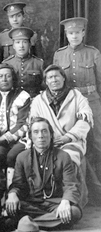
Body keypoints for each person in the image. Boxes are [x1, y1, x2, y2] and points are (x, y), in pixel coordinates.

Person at [29, 64, 93, 207]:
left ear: (63, 78)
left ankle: (73, 202)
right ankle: (43, 200)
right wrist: (48, 140)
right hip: (46, 141)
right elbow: (34, 123)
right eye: (50, 77)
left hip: (72, 141)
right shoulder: (39, 100)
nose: (54, 80)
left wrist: (68, 137)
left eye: (57, 76)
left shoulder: (77, 96)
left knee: (68, 157)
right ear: (46, 81)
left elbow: (85, 121)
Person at [5, 117, 82, 230]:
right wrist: (12, 194)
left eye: (44, 131)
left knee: (74, 212)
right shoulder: (22, 157)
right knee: (11, 208)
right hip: (31, 204)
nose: (41, 136)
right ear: (30, 136)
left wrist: (65, 201)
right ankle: (47, 222)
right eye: (36, 132)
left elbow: (70, 185)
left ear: (51, 135)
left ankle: (29, 224)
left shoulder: (63, 156)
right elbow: (18, 185)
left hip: (55, 204)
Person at [53, 17, 101, 182]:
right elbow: (56, 81)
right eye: (70, 33)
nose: (74, 36)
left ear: (83, 33)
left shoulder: (93, 53)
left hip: (91, 100)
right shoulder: (59, 55)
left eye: (77, 33)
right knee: (73, 138)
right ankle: (78, 180)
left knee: (97, 139)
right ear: (66, 34)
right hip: (70, 102)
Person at [0, 63, 31, 186]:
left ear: (13, 78)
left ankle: (14, 189)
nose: (4, 80)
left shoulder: (23, 96)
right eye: (0, 76)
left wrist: (1, 140)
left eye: (8, 76)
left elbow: (23, 123)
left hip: (18, 139)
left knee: (12, 155)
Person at [2, 27, 44, 98]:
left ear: (29, 45)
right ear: (14, 46)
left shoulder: (39, 63)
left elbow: (44, 87)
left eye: (24, 42)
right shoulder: (6, 64)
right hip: (12, 102)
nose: (21, 46)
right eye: (18, 42)